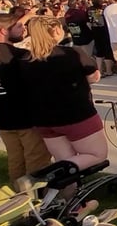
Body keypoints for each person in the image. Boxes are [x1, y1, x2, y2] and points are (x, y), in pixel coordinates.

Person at [20, 16, 108, 170]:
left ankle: (67, 192)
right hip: (76, 115)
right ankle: (50, 175)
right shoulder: (71, 53)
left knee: (65, 160)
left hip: (44, 119)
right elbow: (94, 76)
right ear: (55, 30)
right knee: (97, 155)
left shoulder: (25, 59)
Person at [0, 13, 52, 188]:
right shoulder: (15, 55)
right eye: (18, 26)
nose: (23, 29)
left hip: (2, 117)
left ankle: (18, 191)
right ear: (4, 31)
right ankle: (37, 193)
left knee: (15, 157)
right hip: (24, 116)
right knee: (37, 157)